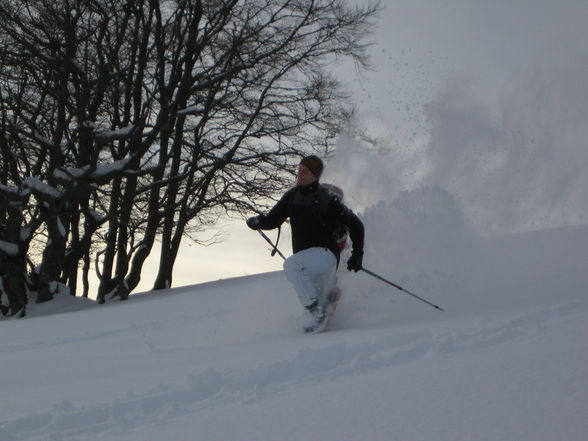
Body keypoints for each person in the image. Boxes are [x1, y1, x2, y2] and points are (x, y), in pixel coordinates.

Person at [246, 155, 364, 332]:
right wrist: (258, 222)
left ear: (315, 175)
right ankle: (327, 307)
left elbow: (356, 224)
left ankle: (314, 310)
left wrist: (357, 255)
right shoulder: (292, 196)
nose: (300, 174)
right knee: (318, 291)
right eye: (299, 169)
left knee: (291, 266)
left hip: (326, 253)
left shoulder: (327, 198)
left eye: (305, 171)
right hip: (307, 259)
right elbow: (273, 220)